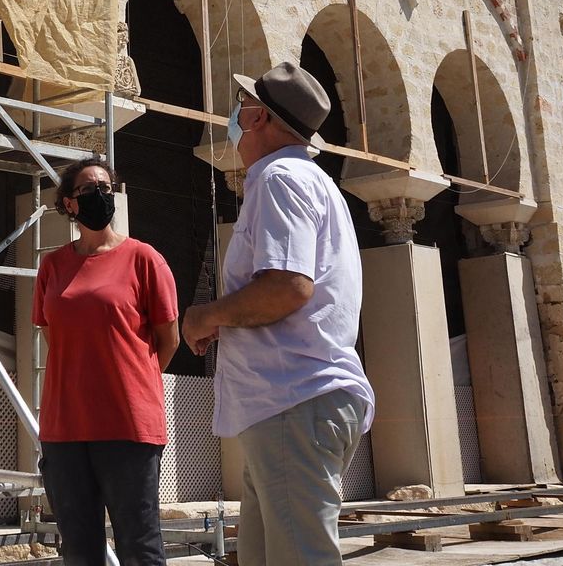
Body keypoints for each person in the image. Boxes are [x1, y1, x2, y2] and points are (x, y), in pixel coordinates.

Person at [180, 62, 375, 566]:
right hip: (285, 407)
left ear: (258, 116)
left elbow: (287, 288)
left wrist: (205, 318)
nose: (235, 116)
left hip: (294, 401)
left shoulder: (279, 178)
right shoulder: (308, 180)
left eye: (243, 106)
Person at [34, 159, 179, 566]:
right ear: (69, 204)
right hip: (65, 428)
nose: (100, 193)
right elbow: (54, 334)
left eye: (106, 186)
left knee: (140, 543)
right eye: (88, 189)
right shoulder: (53, 266)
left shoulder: (144, 259)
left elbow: (169, 338)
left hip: (127, 424)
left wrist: (131, 379)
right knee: (79, 549)